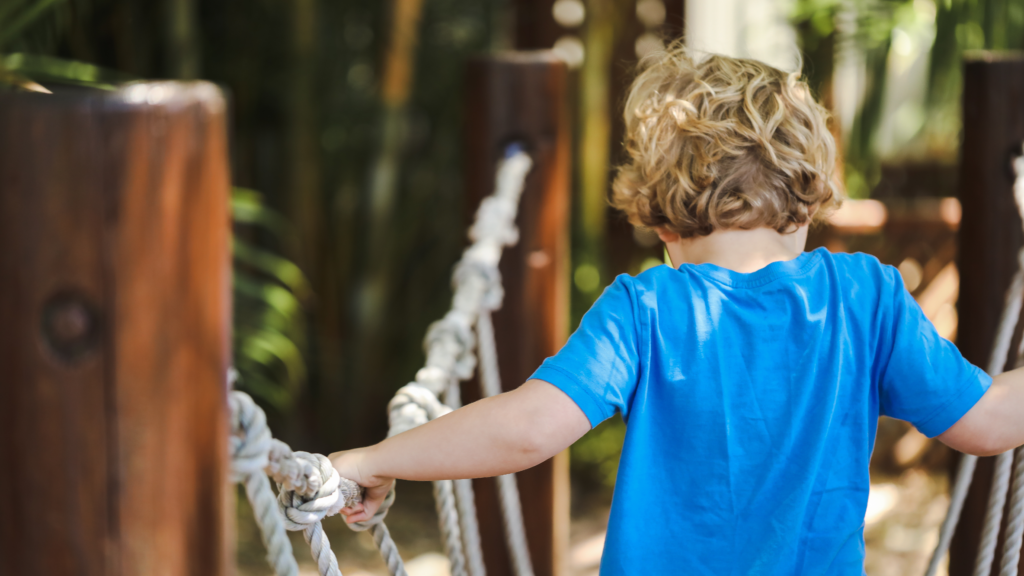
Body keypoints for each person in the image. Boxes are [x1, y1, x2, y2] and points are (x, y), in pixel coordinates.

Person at [330, 45, 1024, 574]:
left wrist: (379, 456)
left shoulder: (646, 308)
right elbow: (990, 421)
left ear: (661, 223)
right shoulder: (865, 296)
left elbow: (529, 428)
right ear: (811, 198)